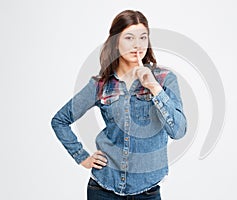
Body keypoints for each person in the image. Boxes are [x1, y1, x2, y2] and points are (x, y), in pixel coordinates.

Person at [51, 9, 187, 200]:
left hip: (147, 191)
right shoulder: (100, 85)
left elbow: (179, 131)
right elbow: (60, 120)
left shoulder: (164, 79)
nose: (137, 45)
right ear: (115, 42)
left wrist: (154, 87)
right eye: (129, 38)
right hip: (103, 188)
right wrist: (81, 156)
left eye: (143, 37)